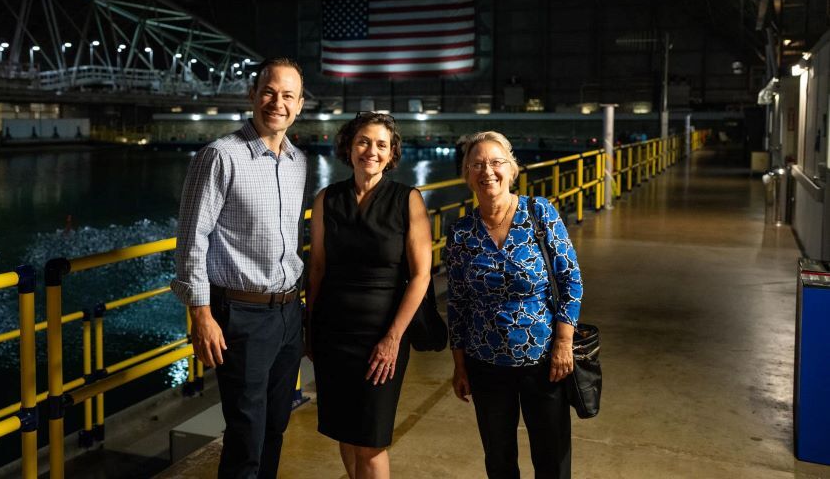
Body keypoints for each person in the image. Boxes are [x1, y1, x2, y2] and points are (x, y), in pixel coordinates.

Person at [172, 57, 307, 479]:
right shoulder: (219, 156)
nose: (277, 103)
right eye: (269, 92)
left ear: (300, 105)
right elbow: (191, 239)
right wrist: (201, 314)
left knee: (276, 426)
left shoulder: (297, 161)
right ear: (252, 95)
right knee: (246, 433)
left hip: (289, 312)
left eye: (288, 95)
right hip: (242, 316)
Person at [445, 131, 583, 479]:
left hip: (544, 359)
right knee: (499, 457)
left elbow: (571, 280)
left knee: (551, 455)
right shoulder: (461, 232)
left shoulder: (540, 212)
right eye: (476, 164)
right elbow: (458, 303)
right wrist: (460, 366)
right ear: (467, 175)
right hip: (485, 362)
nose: (486, 171)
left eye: (496, 162)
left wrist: (564, 343)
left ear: (512, 169)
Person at [306, 112, 433, 479]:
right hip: (333, 334)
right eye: (363, 142)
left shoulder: (407, 199)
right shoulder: (326, 199)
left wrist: (393, 338)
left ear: (392, 153)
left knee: (372, 441)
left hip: (382, 336)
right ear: (349, 146)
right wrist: (310, 331)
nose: (371, 151)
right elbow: (317, 270)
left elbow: (422, 276)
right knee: (345, 432)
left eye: (381, 144)